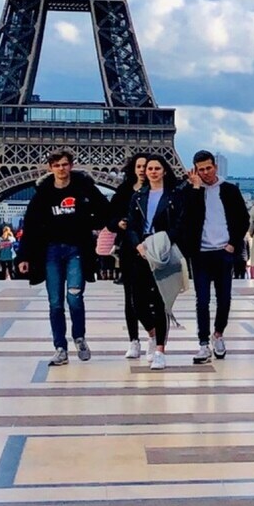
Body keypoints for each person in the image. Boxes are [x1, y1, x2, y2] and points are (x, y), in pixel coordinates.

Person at [16, 149, 108, 365]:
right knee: (55, 302)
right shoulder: (42, 195)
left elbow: (105, 210)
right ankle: (60, 347)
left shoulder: (84, 189)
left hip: (76, 249)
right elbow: (30, 226)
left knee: (74, 297)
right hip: (51, 251)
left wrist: (87, 222)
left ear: (71, 165)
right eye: (57, 165)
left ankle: (79, 337)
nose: (61, 169)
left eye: (65, 164)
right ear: (50, 168)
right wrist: (23, 256)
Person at [173, 150, 249, 364]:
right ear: (195, 170)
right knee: (202, 300)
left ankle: (218, 334)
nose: (205, 173)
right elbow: (187, 218)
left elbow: (243, 219)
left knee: (224, 299)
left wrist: (232, 244)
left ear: (215, 166)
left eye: (208, 168)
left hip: (224, 252)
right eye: (201, 169)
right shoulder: (189, 191)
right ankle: (203, 343)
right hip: (201, 253)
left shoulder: (230, 190)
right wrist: (196, 189)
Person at [124, 154, 178, 369]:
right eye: (150, 168)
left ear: (164, 171)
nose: (153, 172)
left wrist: (165, 241)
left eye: (157, 168)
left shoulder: (173, 196)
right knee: (137, 302)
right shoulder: (138, 196)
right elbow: (131, 224)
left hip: (162, 248)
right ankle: (153, 334)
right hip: (142, 250)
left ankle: (160, 351)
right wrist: (137, 244)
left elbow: (180, 222)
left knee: (159, 301)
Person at [107, 153, 150, 359]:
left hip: (152, 249)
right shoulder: (124, 191)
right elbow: (110, 219)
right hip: (130, 250)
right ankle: (134, 339)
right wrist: (118, 223)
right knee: (130, 297)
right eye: (139, 166)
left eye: (146, 166)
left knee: (151, 297)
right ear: (133, 168)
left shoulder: (158, 191)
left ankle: (154, 337)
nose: (142, 170)